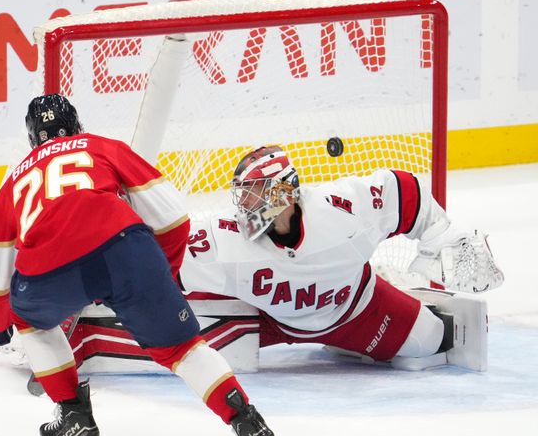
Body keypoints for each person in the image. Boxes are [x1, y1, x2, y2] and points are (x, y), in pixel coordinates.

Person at [0, 94, 282, 436]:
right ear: (77, 124)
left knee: (29, 321)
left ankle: (74, 418)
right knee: (182, 349)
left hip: (50, 271)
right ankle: (249, 425)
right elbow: (175, 218)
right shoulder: (103, 146)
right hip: (127, 248)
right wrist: (157, 273)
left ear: (33, 139)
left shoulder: (15, 180)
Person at [179, 145, 504, 371]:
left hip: (356, 309)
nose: (245, 203)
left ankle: (379, 307)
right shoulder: (222, 236)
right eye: (243, 192)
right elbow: (167, 257)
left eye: (255, 191)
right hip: (270, 321)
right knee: (187, 345)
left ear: (282, 192)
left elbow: (406, 191)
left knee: (430, 339)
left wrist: (443, 236)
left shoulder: (340, 211)